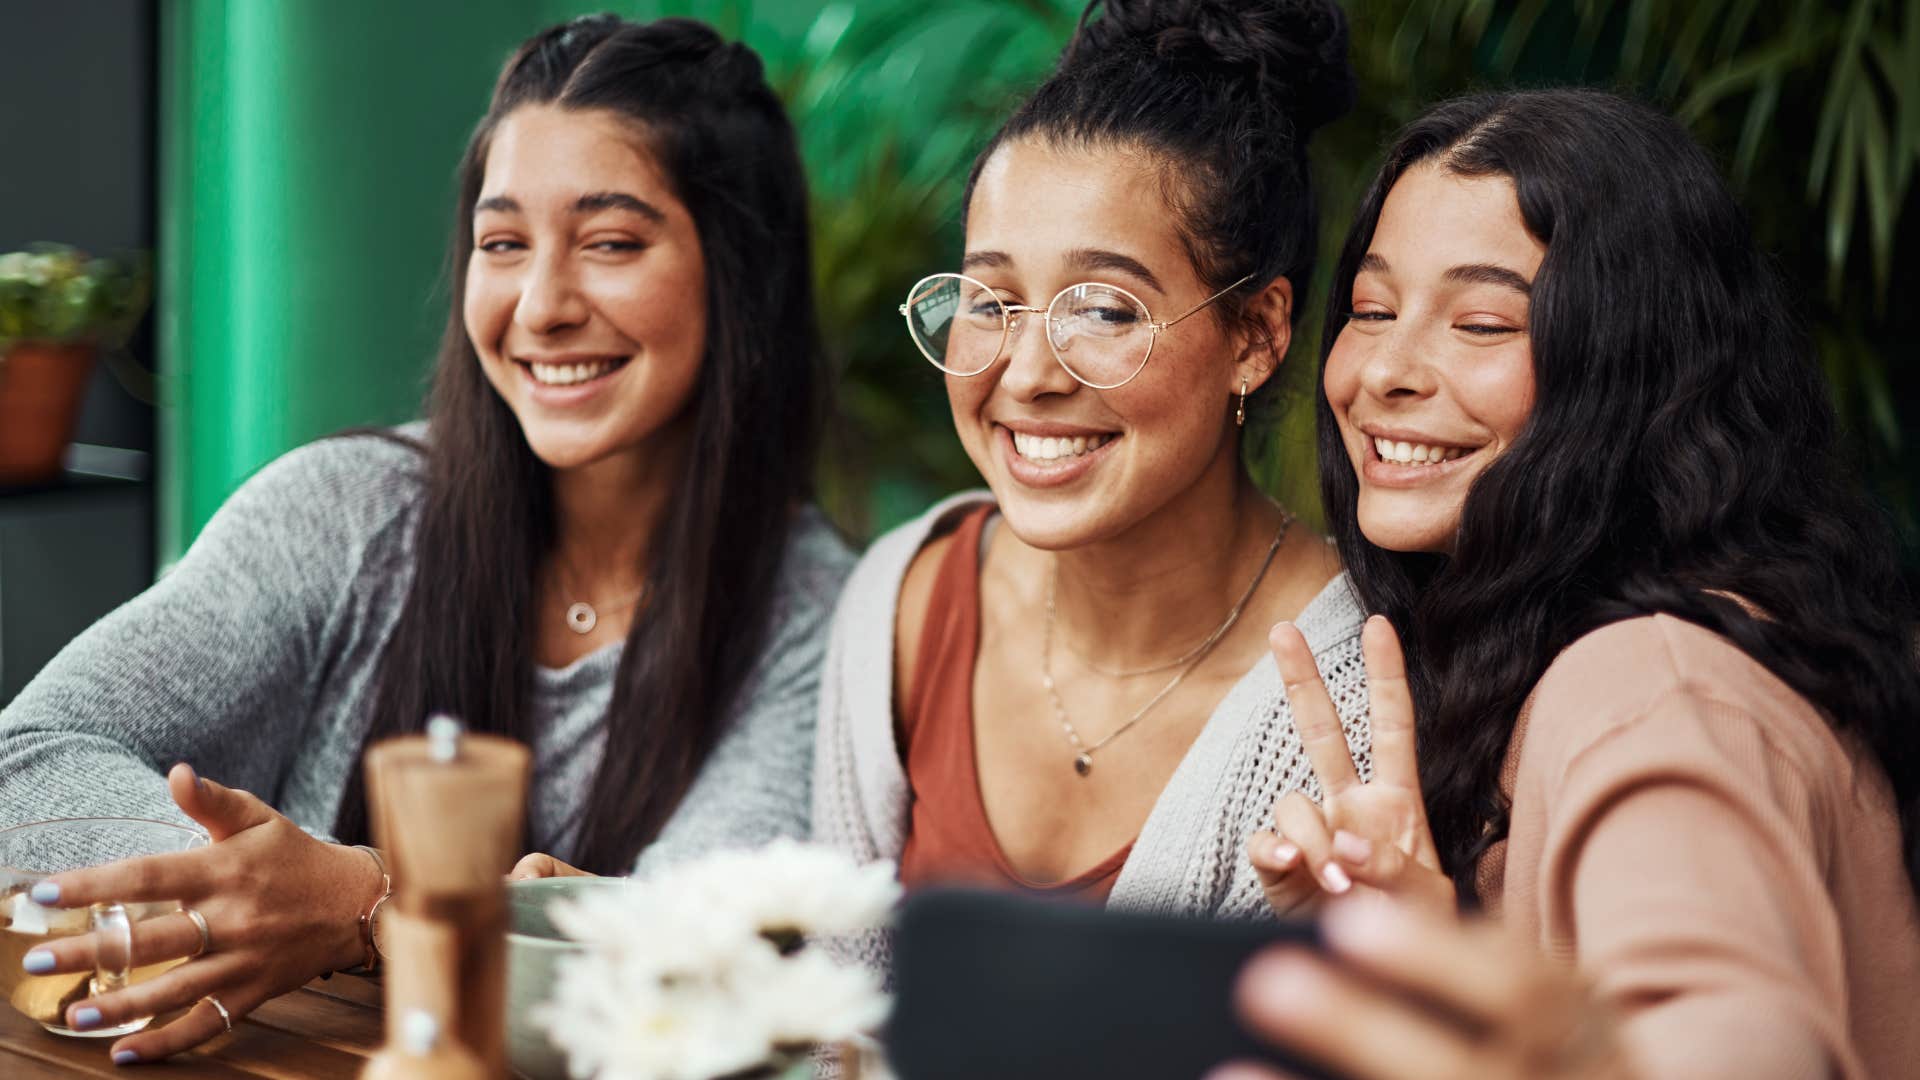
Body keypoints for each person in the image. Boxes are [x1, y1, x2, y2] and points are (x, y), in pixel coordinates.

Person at [0, 14, 852, 1063]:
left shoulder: (821, 617)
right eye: (503, 244)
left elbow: (708, 941)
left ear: (741, 273)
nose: (540, 306)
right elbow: (28, 758)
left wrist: (364, 903)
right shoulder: (349, 511)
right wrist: (271, 891)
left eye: (612, 242)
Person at [1225, 89, 1920, 1078]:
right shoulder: (1630, 650)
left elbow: (1729, 1035)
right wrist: (1443, 957)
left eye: (1481, 322)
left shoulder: (1649, 683)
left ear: (1632, 369)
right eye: (1373, 309)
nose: (1387, 369)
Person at [813, 0, 1368, 972]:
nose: (1026, 372)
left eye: (1104, 308)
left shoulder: (1349, 694)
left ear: (1257, 335)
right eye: (990, 300)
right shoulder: (901, 602)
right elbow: (828, 1023)